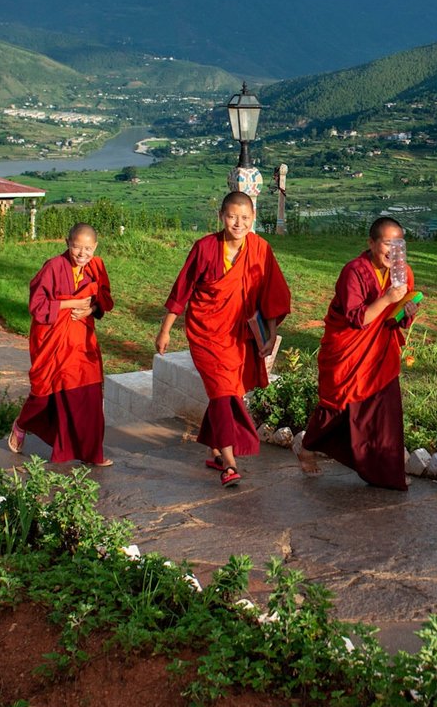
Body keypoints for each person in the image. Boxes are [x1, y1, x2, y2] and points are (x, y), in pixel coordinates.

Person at [156, 192, 291, 486]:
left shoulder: (260, 248)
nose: (238, 223)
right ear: (221, 216)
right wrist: (165, 329)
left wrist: (271, 333)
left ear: (253, 219)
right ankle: (229, 463)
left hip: (239, 335)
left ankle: (215, 448)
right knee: (222, 392)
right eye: (232, 216)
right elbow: (182, 290)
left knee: (227, 390)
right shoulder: (205, 247)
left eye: (244, 218)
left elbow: (271, 294)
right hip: (205, 331)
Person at [299, 216, 417, 490]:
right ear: (372, 243)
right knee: (337, 406)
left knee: (385, 415)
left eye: (398, 244)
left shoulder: (403, 272)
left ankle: (386, 472)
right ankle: (307, 448)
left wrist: (407, 312)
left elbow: (393, 318)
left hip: (380, 352)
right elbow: (358, 319)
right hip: (348, 349)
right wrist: (388, 298)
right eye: (387, 243)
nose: (393, 250)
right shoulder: (354, 271)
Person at [9, 223, 114, 466]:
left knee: (87, 395)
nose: (82, 253)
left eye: (88, 248)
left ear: (95, 247)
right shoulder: (53, 267)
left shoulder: (97, 266)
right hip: (52, 339)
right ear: (67, 243)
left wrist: (91, 308)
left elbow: (105, 299)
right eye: (77, 247)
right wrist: (70, 304)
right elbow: (37, 305)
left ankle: (92, 453)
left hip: (81, 342)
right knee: (44, 394)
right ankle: (22, 424)